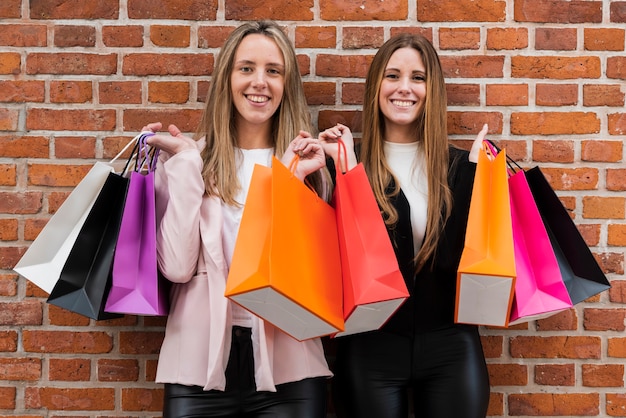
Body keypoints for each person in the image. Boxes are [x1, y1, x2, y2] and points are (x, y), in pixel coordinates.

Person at [141, 20, 331, 418]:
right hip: (198, 367)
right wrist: (187, 166)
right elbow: (176, 268)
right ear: (227, 77)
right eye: (246, 68)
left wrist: (290, 181)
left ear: (286, 84)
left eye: (273, 71)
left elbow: (311, 273)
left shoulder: (307, 167)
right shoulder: (192, 160)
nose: (259, 82)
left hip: (289, 369)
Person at [319, 33, 490, 418]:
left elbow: (452, 262)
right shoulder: (348, 164)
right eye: (393, 75)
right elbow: (360, 260)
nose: (404, 88)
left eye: (418, 77)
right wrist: (345, 171)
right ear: (376, 85)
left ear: (433, 90)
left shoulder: (462, 166)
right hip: (369, 346)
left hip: (451, 343)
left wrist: (475, 176)